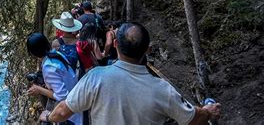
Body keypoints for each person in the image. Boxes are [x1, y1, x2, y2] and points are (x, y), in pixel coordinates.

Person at [38, 22, 221, 125]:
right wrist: (207, 111)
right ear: (147, 50)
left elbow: (63, 110)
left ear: (115, 45)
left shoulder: (95, 77)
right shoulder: (162, 89)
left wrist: (48, 116)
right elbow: (192, 118)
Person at [26, 33, 82, 125]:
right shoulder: (56, 54)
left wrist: (39, 90)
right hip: (76, 98)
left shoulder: (48, 67)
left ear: (32, 53)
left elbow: (63, 96)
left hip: (71, 114)